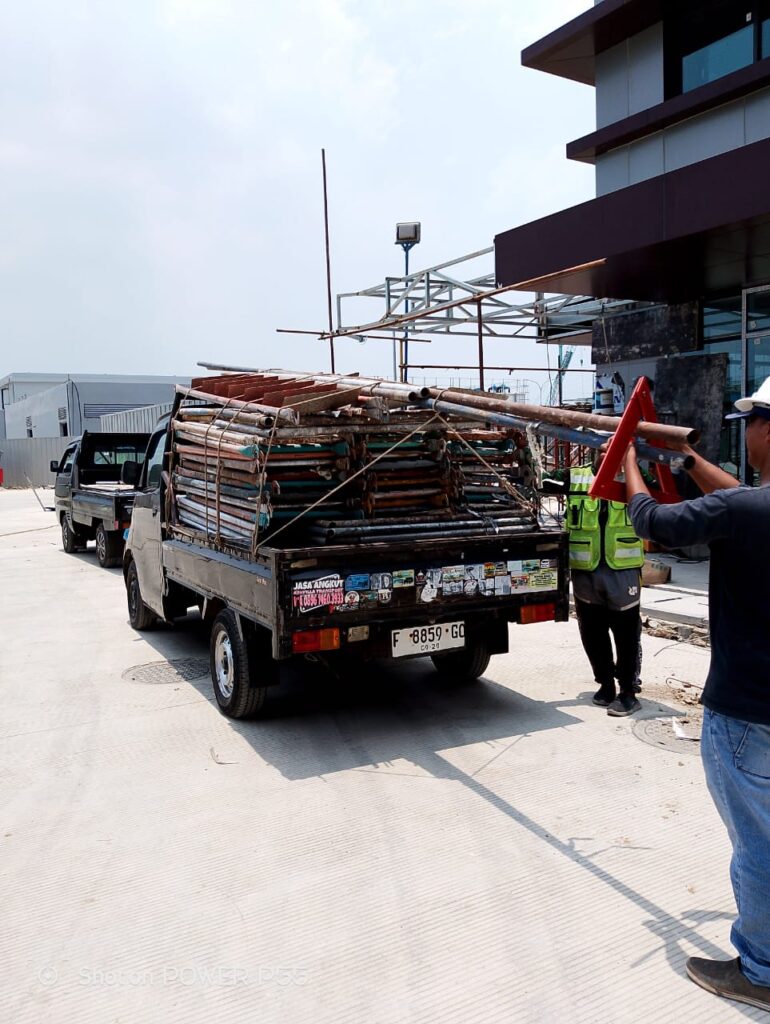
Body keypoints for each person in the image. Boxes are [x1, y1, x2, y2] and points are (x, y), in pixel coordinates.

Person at [624, 377, 770, 1012]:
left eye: (755, 420)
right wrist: (684, 462)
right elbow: (740, 499)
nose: (749, 432)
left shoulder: (743, 515)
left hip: (746, 712)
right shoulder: (749, 510)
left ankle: (762, 971)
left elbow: (651, 520)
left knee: (758, 847)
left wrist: (627, 461)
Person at [544, 456, 645, 716]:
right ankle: (606, 684)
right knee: (592, 632)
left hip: (622, 570)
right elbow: (542, 481)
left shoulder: (634, 477)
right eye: (602, 447)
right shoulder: (575, 476)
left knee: (626, 635)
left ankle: (628, 691)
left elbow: (663, 493)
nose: (607, 453)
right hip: (586, 569)